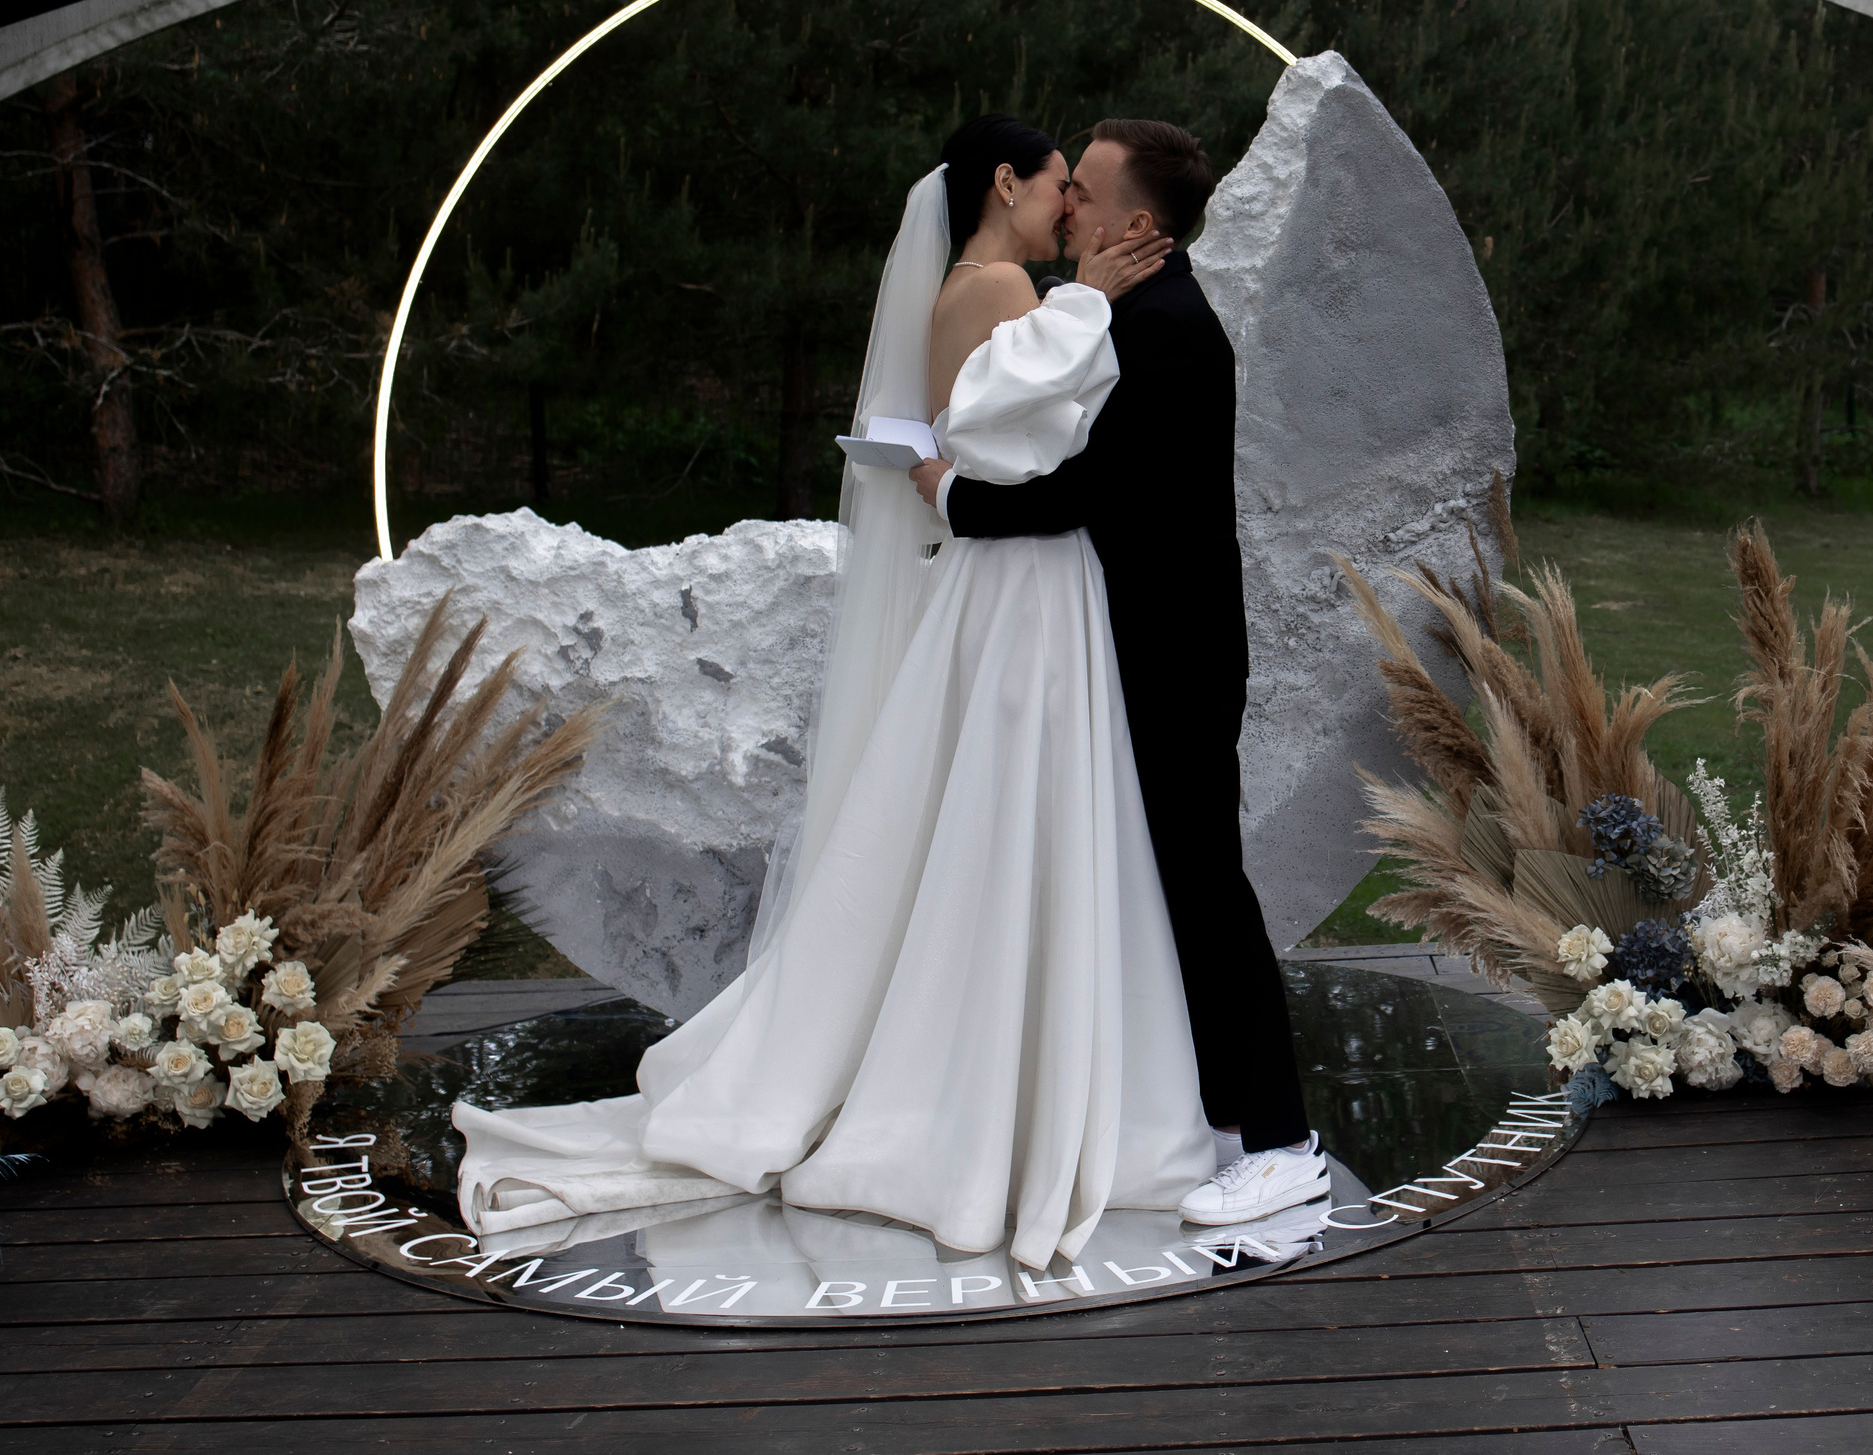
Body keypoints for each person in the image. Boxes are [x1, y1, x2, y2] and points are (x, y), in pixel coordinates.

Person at [451, 115, 1217, 1270]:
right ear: (1006, 185)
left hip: (1028, 581)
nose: (1071, 207)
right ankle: (990, 1083)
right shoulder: (1010, 289)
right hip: (1022, 585)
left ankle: (1007, 1059)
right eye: (1062, 185)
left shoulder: (1004, 282)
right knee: (1010, 813)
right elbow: (1018, 433)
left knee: (1006, 812)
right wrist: (1091, 309)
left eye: (1083, 192)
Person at [913, 120, 1326, 1229]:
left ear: (1137, 221)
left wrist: (948, 493)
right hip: (1130, 644)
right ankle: (1202, 1107)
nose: (1067, 210)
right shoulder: (1126, 310)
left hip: (1173, 655)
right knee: (1165, 885)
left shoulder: (1168, 329)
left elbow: (1076, 493)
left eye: (1085, 193)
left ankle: (1285, 1143)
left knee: (1203, 886)